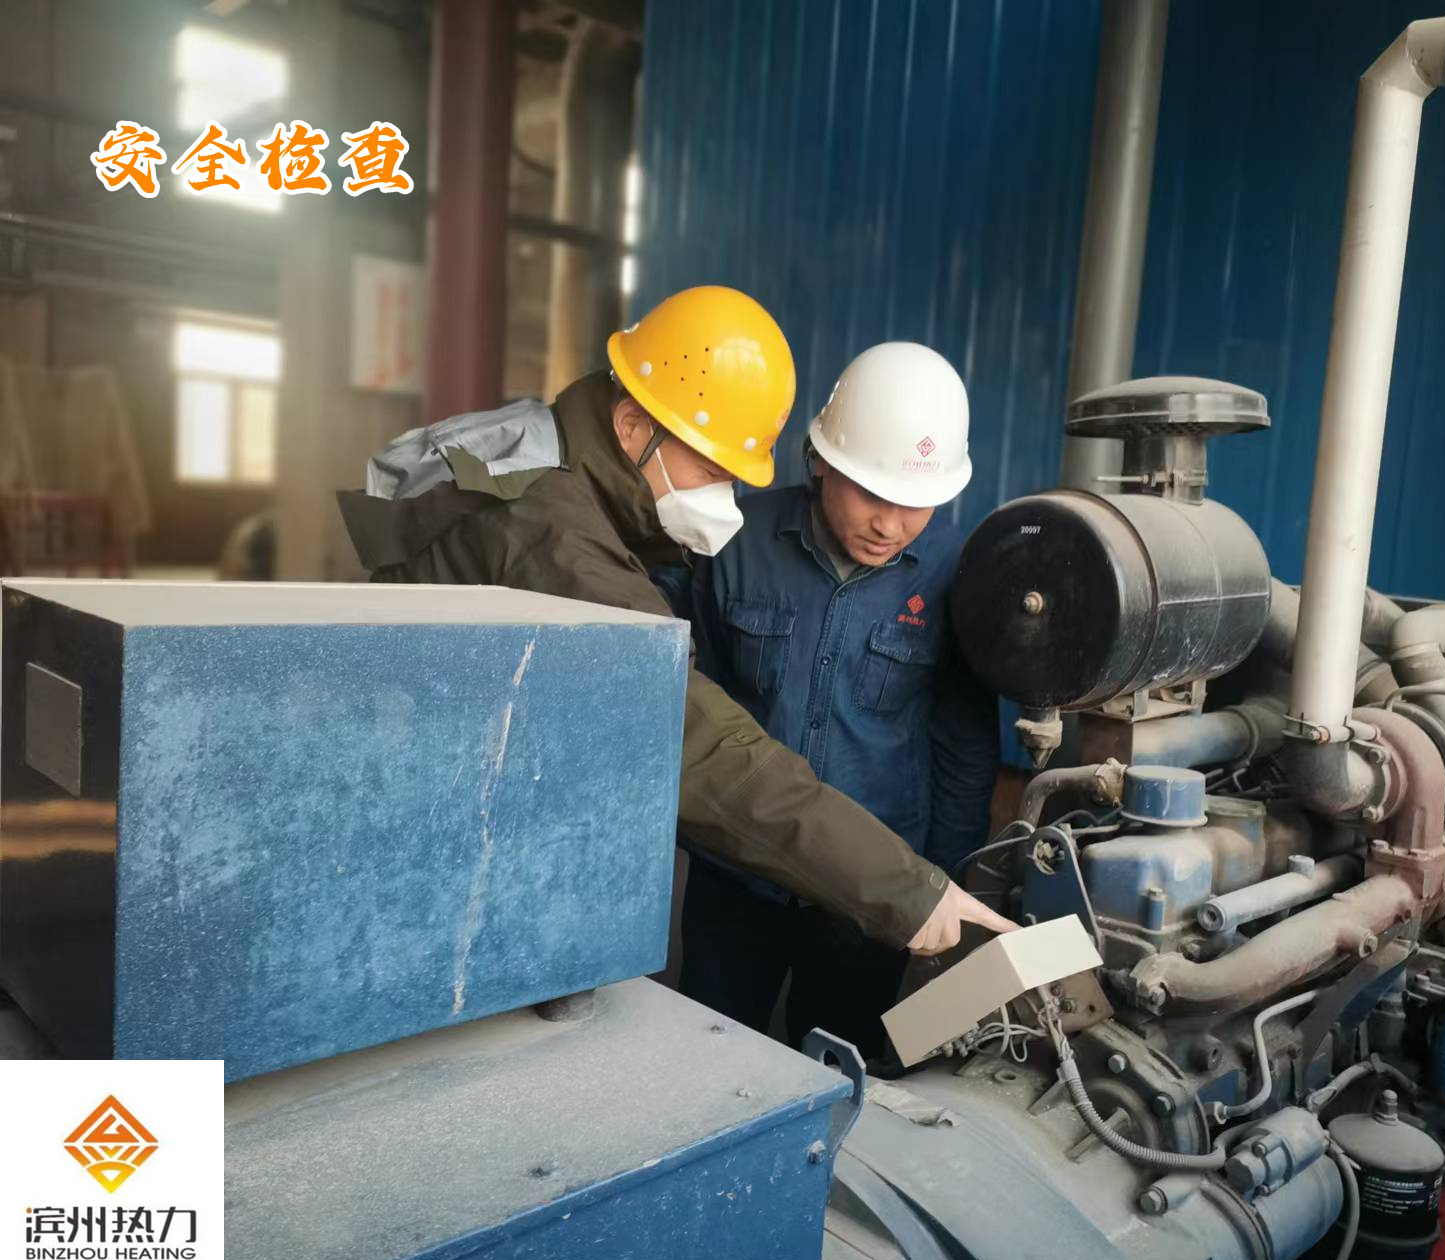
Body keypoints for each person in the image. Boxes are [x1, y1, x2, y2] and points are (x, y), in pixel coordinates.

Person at [338, 286, 1011, 956]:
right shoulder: (558, 542)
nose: (721, 497)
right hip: (413, 837)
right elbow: (695, 740)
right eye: (710, 468)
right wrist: (904, 890)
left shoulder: (553, 454)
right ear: (634, 425)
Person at [680, 342, 999, 1058]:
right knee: (706, 1056)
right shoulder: (732, 543)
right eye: (872, 495)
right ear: (820, 460)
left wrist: (943, 880)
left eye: (915, 503)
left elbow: (963, 745)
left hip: (874, 891)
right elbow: (688, 708)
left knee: (846, 1072)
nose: (890, 524)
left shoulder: (957, 574)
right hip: (739, 878)